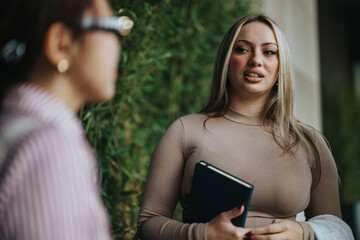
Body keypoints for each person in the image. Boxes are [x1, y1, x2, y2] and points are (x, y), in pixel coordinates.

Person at [135, 15, 354, 240]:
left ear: (281, 66)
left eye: (269, 52)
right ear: (226, 60)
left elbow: (340, 230)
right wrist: (202, 234)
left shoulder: (310, 142)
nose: (256, 60)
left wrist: (304, 231)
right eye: (242, 49)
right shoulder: (185, 131)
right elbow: (147, 224)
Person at [0, 0, 133, 239]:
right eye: (116, 27)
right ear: (60, 44)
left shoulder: (14, 123)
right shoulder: (49, 149)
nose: (120, 45)